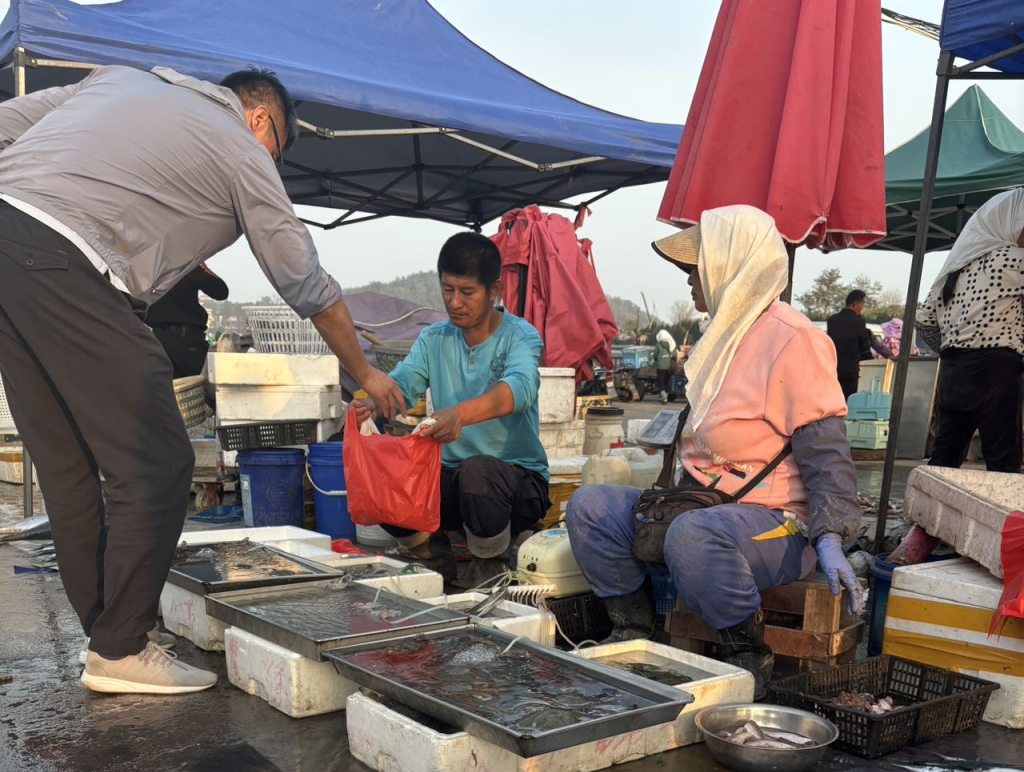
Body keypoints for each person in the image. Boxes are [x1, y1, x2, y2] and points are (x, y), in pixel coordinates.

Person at [0, 65, 403, 696]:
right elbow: (300, 278)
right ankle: (121, 648)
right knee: (156, 462)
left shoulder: (114, 82)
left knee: (70, 466)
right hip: (68, 260)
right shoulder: (241, 145)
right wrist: (365, 372)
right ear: (262, 118)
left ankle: (110, 639)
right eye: (277, 154)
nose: (270, 167)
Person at [567, 205, 863, 699]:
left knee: (692, 535)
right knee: (590, 506)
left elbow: (826, 451)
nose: (689, 281)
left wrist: (832, 534)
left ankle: (744, 653)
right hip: (704, 509)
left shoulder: (795, 340)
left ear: (732, 267)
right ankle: (632, 630)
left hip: (776, 525)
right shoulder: (720, 338)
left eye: (694, 268)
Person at [357, 232, 549, 590]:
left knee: (478, 473)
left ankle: (491, 562)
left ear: (494, 290)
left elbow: (520, 389)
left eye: (467, 292)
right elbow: (403, 382)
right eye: (447, 290)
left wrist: (461, 414)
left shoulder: (519, 336)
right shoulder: (434, 338)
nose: (455, 302)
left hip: (515, 486)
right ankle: (433, 553)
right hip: (451, 482)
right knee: (384, 472)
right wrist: (372, 404)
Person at [891, 188, 1024, 565]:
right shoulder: (1011, 259)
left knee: (945, 464)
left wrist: (955, 344)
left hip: (952, 373)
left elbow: (925, 321)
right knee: (1003, 468)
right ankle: (1006, 555)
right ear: (1008, 225)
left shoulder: (954, 271)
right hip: (997, 371)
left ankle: (916, 544)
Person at [147, 263, 229, 378]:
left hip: (157, 340)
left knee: (163, 390)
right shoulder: (184, 262)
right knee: (197, 388)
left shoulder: (146, 265)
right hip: (187, 341)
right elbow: (221, 291)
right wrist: (203, 266)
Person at [826, 289, 892, 398]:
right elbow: (864, 349)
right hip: (851, 372)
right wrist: (871, 364)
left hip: (832, 369)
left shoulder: (831, 320)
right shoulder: (858, 322)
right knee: (849, 402)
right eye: (862, 304)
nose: (862, 308)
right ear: (855, 304)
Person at [654, 327, 675, 402]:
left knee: (661, 382)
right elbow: (674, 354)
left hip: (660, 366)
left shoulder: (658, 345)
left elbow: (655, 355)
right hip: (668, 366)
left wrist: (655, 360)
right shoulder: (671, 343)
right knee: (666, 381)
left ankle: (664, 397)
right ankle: (666, 395)